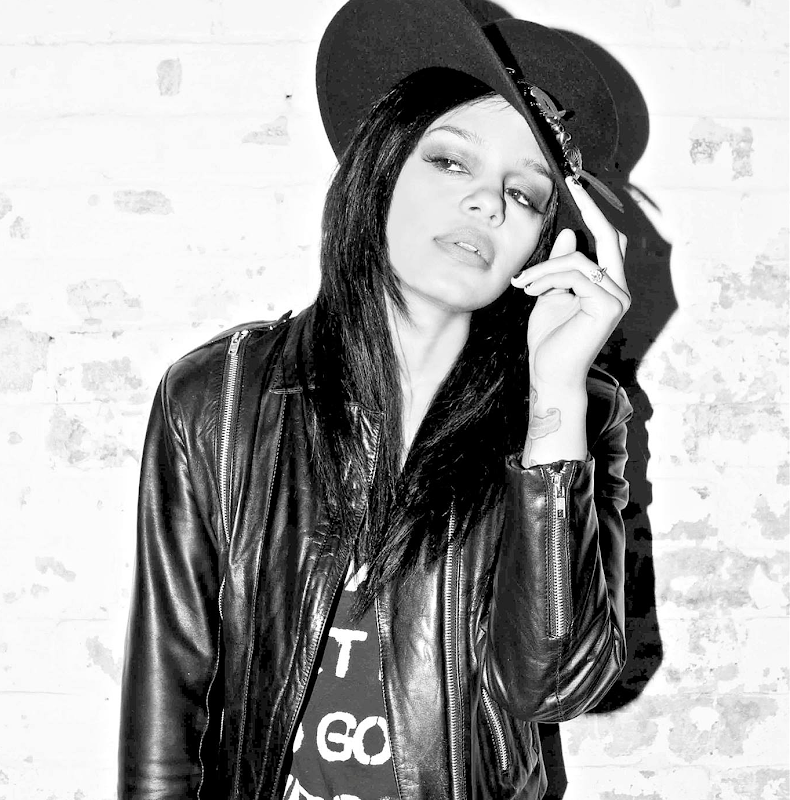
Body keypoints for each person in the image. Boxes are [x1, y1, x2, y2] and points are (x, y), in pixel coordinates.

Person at [118, 0, 633, 798]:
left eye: (527, 195)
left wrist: (556, 398)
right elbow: (168, 701)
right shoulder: (220, 399)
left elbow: (555, 685)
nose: (489, 203)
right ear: (381, 169)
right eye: (451, 162)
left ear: (542, 246)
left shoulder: (574, 415)